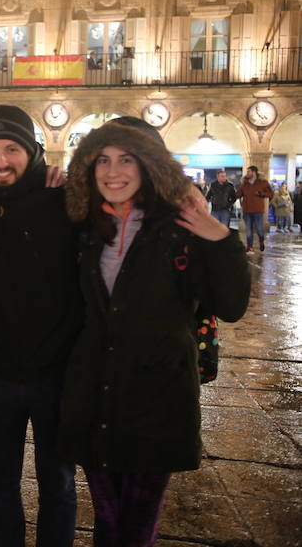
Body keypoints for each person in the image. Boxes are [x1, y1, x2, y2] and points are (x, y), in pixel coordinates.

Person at [59, 121, 250, 547]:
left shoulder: (181, 224)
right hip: (95, 394)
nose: (113, 171)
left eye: (127, 159)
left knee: (138, 525)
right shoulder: (84, 224)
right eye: (103, 160)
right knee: (107, 521)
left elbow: (232, 305)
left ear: (148, 166)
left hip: (158, 396)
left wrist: (219, 238)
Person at [0, 105, 81, 547]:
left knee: (59, 484)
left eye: (11, 148)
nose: (1, 160)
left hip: (56, 372)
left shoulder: (64, 199)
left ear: (33, 151)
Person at [235, 165, 273, 252]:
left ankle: (261, 241)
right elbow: (238, 194)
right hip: (247, 210)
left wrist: (261, 194)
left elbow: (271, 194)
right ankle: (249, 247)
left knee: (259, 229)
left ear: (254, 172)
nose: (247, 173)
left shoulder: (263, 183)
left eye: (248, 172)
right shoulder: (245, 184)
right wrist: (237, 192)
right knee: (248, 230)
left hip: (258, 211)